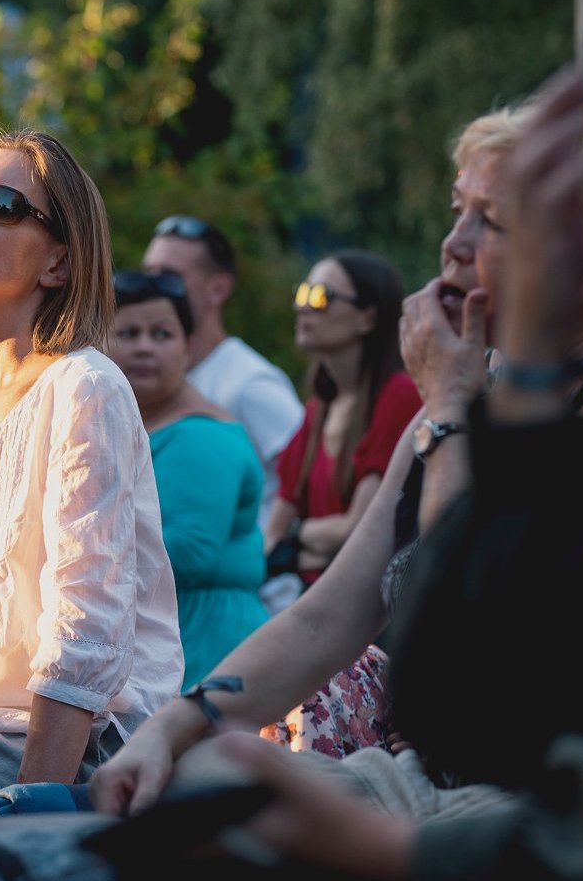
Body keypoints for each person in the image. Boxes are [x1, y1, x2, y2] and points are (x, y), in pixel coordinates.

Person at [89, 77, 583, 830]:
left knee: (211, 826)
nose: (453, 246)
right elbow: (328, 616)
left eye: (491, 223)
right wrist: (169, 728)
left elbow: (465, 655)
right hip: (420, 773)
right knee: (186, 776)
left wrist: (447, 415)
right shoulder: (476, 384)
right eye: (456, 210)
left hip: (535, 809)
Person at [0, 130, 182, 838]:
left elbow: (84, 628)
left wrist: (30, 821)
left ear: (59, 260)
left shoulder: (84, 386)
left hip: (61, 746)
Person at [107, 269, 267, 689]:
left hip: (207, 649)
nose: (144, 347)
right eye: (128, 333)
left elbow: (190, 553)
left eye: (162, 335)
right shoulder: (137, 425)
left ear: (189, 348)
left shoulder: (201, 434)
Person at [265, 251, 421, 591]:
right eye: (302, 293)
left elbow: (361, 529)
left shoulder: (399, 396)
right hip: (315, 600)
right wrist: (299, 543)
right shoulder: (318, 410)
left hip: (370, 611)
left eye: (321, 296)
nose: (303, 307)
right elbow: (271, 538)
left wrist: (298, 534)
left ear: (367, 318)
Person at [143, 215, 303, 524]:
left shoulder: (252, 383)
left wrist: (274, 545)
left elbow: (311, 479)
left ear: (218, 289)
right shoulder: (157, 376)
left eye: (170, 277)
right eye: (149, 273)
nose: (154, 287)